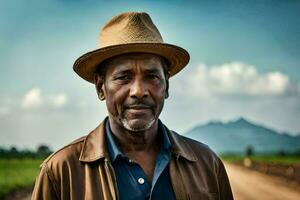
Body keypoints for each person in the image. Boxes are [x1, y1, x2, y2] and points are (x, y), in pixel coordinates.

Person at [32, 12, 233, 200]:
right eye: (123, 77)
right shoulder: (60, 171)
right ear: (101, 87)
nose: (138, 91)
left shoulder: (207, 164)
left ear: (167, 85)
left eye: (151, 76)